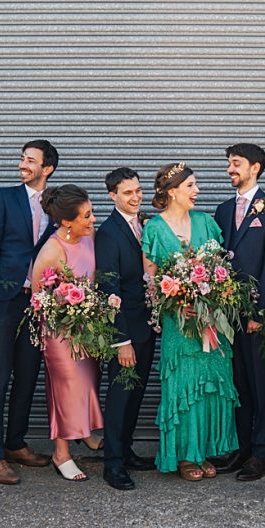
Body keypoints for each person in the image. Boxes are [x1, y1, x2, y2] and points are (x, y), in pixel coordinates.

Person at [142, 163, 239, 481]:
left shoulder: (206, 222)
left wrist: (213, 300)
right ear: (172, 191)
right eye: (191, 186)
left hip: (211, 322)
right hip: (180, 325)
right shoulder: (154, 229)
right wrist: (177, 303)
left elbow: (221, 270)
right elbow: (152, 281)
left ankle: (205, 450)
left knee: (210, 386)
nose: (197, 191)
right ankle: (184, 455)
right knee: (184, 387)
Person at [0, 140, 58, 485]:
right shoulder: (2, 197)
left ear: (47, 168)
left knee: (28, 374)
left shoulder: (56, 204)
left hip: (37, 302)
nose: (23, 164)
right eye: (22, 159)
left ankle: (15, 443)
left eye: (30, 160)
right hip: (4, 301)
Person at [212, 144, 265, 481]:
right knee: (237, 383)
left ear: (255, 168)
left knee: (260, 385)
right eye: (229, 163)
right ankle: (240, 448)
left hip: (257, 315)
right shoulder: (223, 208)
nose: (230, 169)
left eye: (236, 163)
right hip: (226, 315)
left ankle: (260, 453)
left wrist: (262, 312)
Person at [30, 185, 105, 482]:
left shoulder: (89, 237)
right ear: (66, 222)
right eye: (87, 216)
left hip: (87, 327)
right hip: (59, 333)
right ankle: (61, 453)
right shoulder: (51, 251)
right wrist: (65, 311)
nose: (93, 220)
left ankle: (82, 431)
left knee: (88, 382)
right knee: (66, 388)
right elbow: (37, 297)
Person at [95, 168, 157, 490]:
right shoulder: (107, 233)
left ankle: (127, 450)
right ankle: (113, 465)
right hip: (126, 334)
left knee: (137, 394)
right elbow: (109, 289)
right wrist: (121, 341)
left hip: (147, 328)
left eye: (138, 191)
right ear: (113, 196)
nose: (135, 197)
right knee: (120, 396)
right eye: (128, 193)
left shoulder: (144, 225)